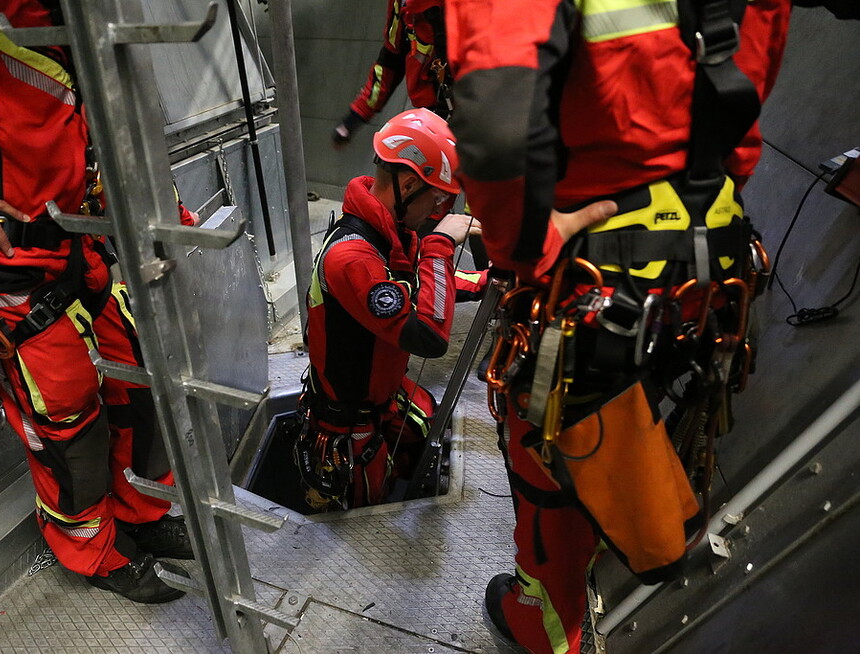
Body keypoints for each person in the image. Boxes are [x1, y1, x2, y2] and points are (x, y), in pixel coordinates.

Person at [439, 0, 858, 651]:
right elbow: (740, 124)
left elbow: (493, 130)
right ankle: (622, 530)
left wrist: (527, 246)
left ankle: (548, 628)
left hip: (589, 285)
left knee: (548, 452)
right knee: (647, 414)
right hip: (703, 267)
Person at [0, 0, 192, 604]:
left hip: (76, 243)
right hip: (0, 265)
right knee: (67, 421)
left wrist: (165, 213)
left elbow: (99, 111)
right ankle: (91, 547)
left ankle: (143, 515)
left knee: (140, 376)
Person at [294, 108, 484, 510]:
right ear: (410, 184)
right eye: (437, 201)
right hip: (349, 423)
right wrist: (440, 244)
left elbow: (421, 284)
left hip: (385, 397)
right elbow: (428, 334)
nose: (439, 214)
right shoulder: (352, 259)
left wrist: (487, 282)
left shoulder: (389, 232)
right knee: (362, 503)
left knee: (429, 429)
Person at [332, 0, 452, 146]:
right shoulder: (401, 5)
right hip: (432, 117)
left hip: (465, 113)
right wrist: (353, 119)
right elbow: (390, 61)